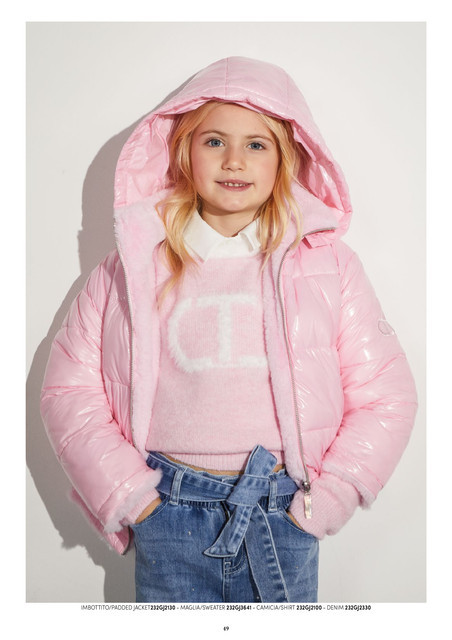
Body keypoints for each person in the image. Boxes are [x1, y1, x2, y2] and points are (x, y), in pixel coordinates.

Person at [40, 56, 418, 603]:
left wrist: (329, 499)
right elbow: (68, 390)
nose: (234, 159)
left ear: (285, 159)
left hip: (283, 516)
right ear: (184, 152)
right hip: (166, 513)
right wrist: (131, 498)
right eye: (214, 141)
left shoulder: (328, 267)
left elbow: (387, 394)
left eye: (256, 144)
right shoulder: (131, 269)